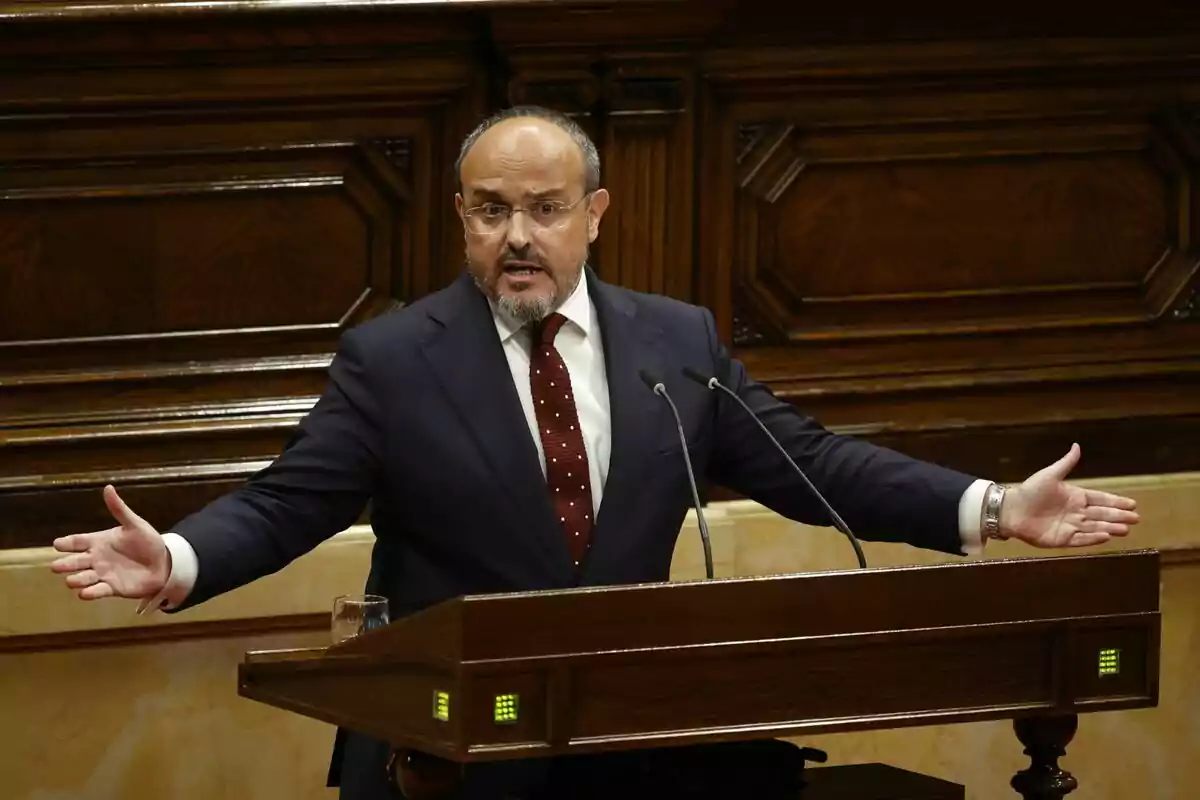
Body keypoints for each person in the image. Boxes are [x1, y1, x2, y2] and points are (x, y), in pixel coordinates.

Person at [50, 106, 1139, 799]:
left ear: (595, 213)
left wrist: (993, 505)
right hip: (446, 757)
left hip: (636, 752)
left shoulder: (678, 342)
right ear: (460, 216)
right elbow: (289, 503)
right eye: (489, 210)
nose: (515, 235)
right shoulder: (391, 358)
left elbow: (814, 465)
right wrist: (181, 560)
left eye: (542, 208)